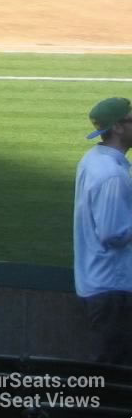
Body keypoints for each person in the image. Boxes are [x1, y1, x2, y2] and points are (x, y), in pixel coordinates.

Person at [75, 97, 132, 364]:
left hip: (98, 282)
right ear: (119, 127)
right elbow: (114, 233)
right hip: (113, 289)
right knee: (111, 374)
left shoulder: (92, 159)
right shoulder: (113, 175)